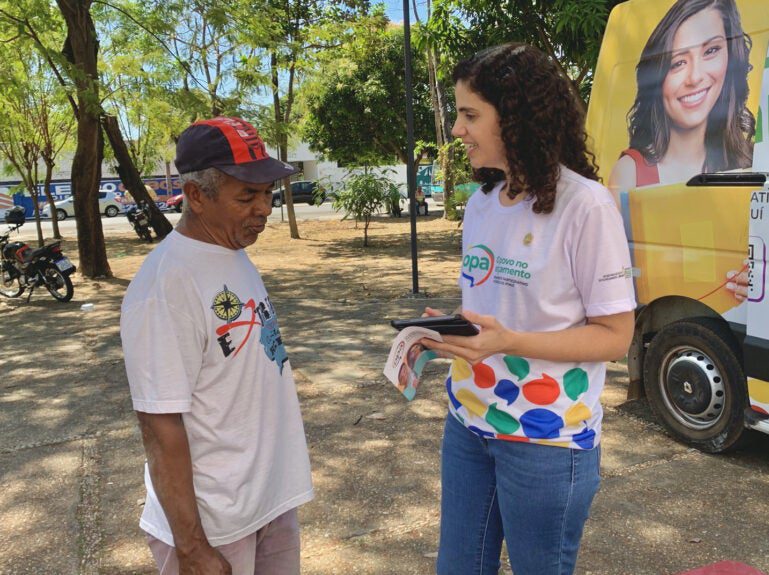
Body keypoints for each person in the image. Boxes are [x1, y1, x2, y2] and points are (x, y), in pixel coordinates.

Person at [419, 44, 637, 575]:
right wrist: (447, 330)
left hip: (547, 439)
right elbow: (494, 308)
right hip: (469, 422)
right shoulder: (481, 202)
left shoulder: (585, 205)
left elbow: (614, 336)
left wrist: (509, 341)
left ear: (513, 117)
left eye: (470, 114)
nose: (457, 129)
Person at [120, 116, 314, 575]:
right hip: (214, 524)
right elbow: (159, 423)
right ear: (196, 196)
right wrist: (191, 547)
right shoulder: (165, 287)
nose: (263, 208)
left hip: (267, 501)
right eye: (246, 196)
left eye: (267, 193)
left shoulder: (232, 252)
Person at [609, 0, 754, 191]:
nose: (694, 78)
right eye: (677, 63)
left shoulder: (753, 160)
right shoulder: (630, 174)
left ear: (731, 56)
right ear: (657, 76)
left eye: (711, 51)